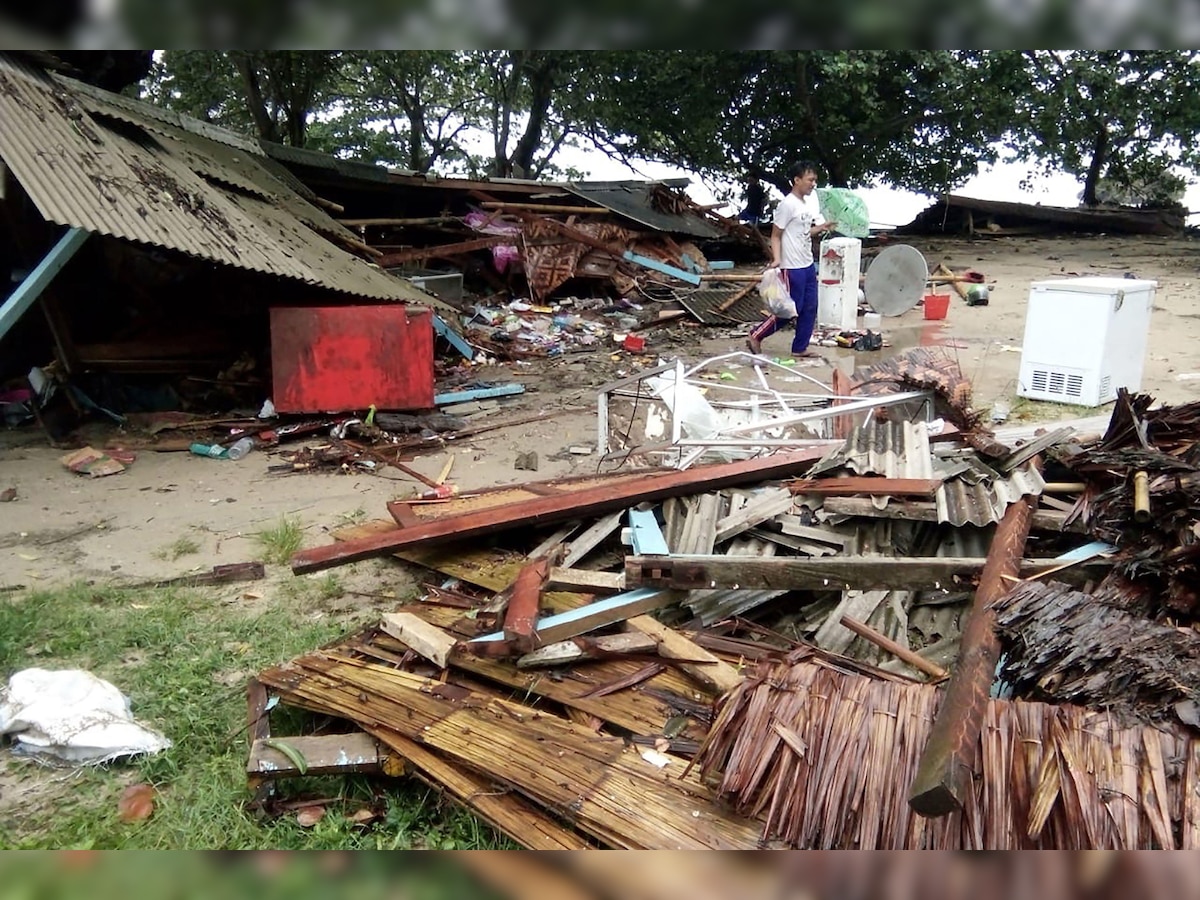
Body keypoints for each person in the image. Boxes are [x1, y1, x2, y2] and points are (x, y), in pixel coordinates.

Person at [746, 161, 836, 359]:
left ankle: (800, 348)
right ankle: (756, 335)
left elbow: (803, 232)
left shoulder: (805, 204)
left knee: (810, 307)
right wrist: (777, 258)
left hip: (807, 264)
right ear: (797, 180)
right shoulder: (787, 204)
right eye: (810, 180)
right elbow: (776, 235)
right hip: (792, 266)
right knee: (790, 309)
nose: (813, 184)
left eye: (815, 180)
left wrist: (820, 228)